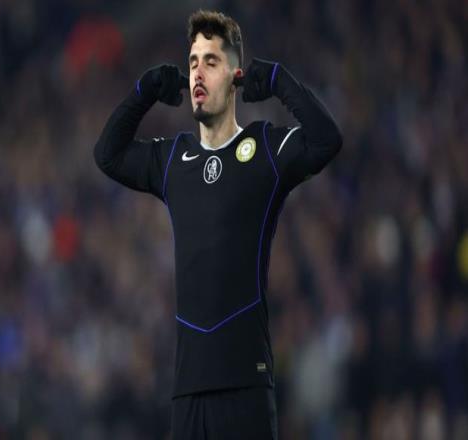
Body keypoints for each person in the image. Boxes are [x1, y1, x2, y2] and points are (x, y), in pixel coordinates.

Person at [94, 9, 342, 440]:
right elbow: (108, 155)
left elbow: (326, 140)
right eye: (192, 62)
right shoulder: (174, 159)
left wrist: (279, 80)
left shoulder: (265, 148)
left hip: (246, 385)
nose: (197, 72)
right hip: (188, 391)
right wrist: (144, 91)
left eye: (210, 61)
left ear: (235, 75)